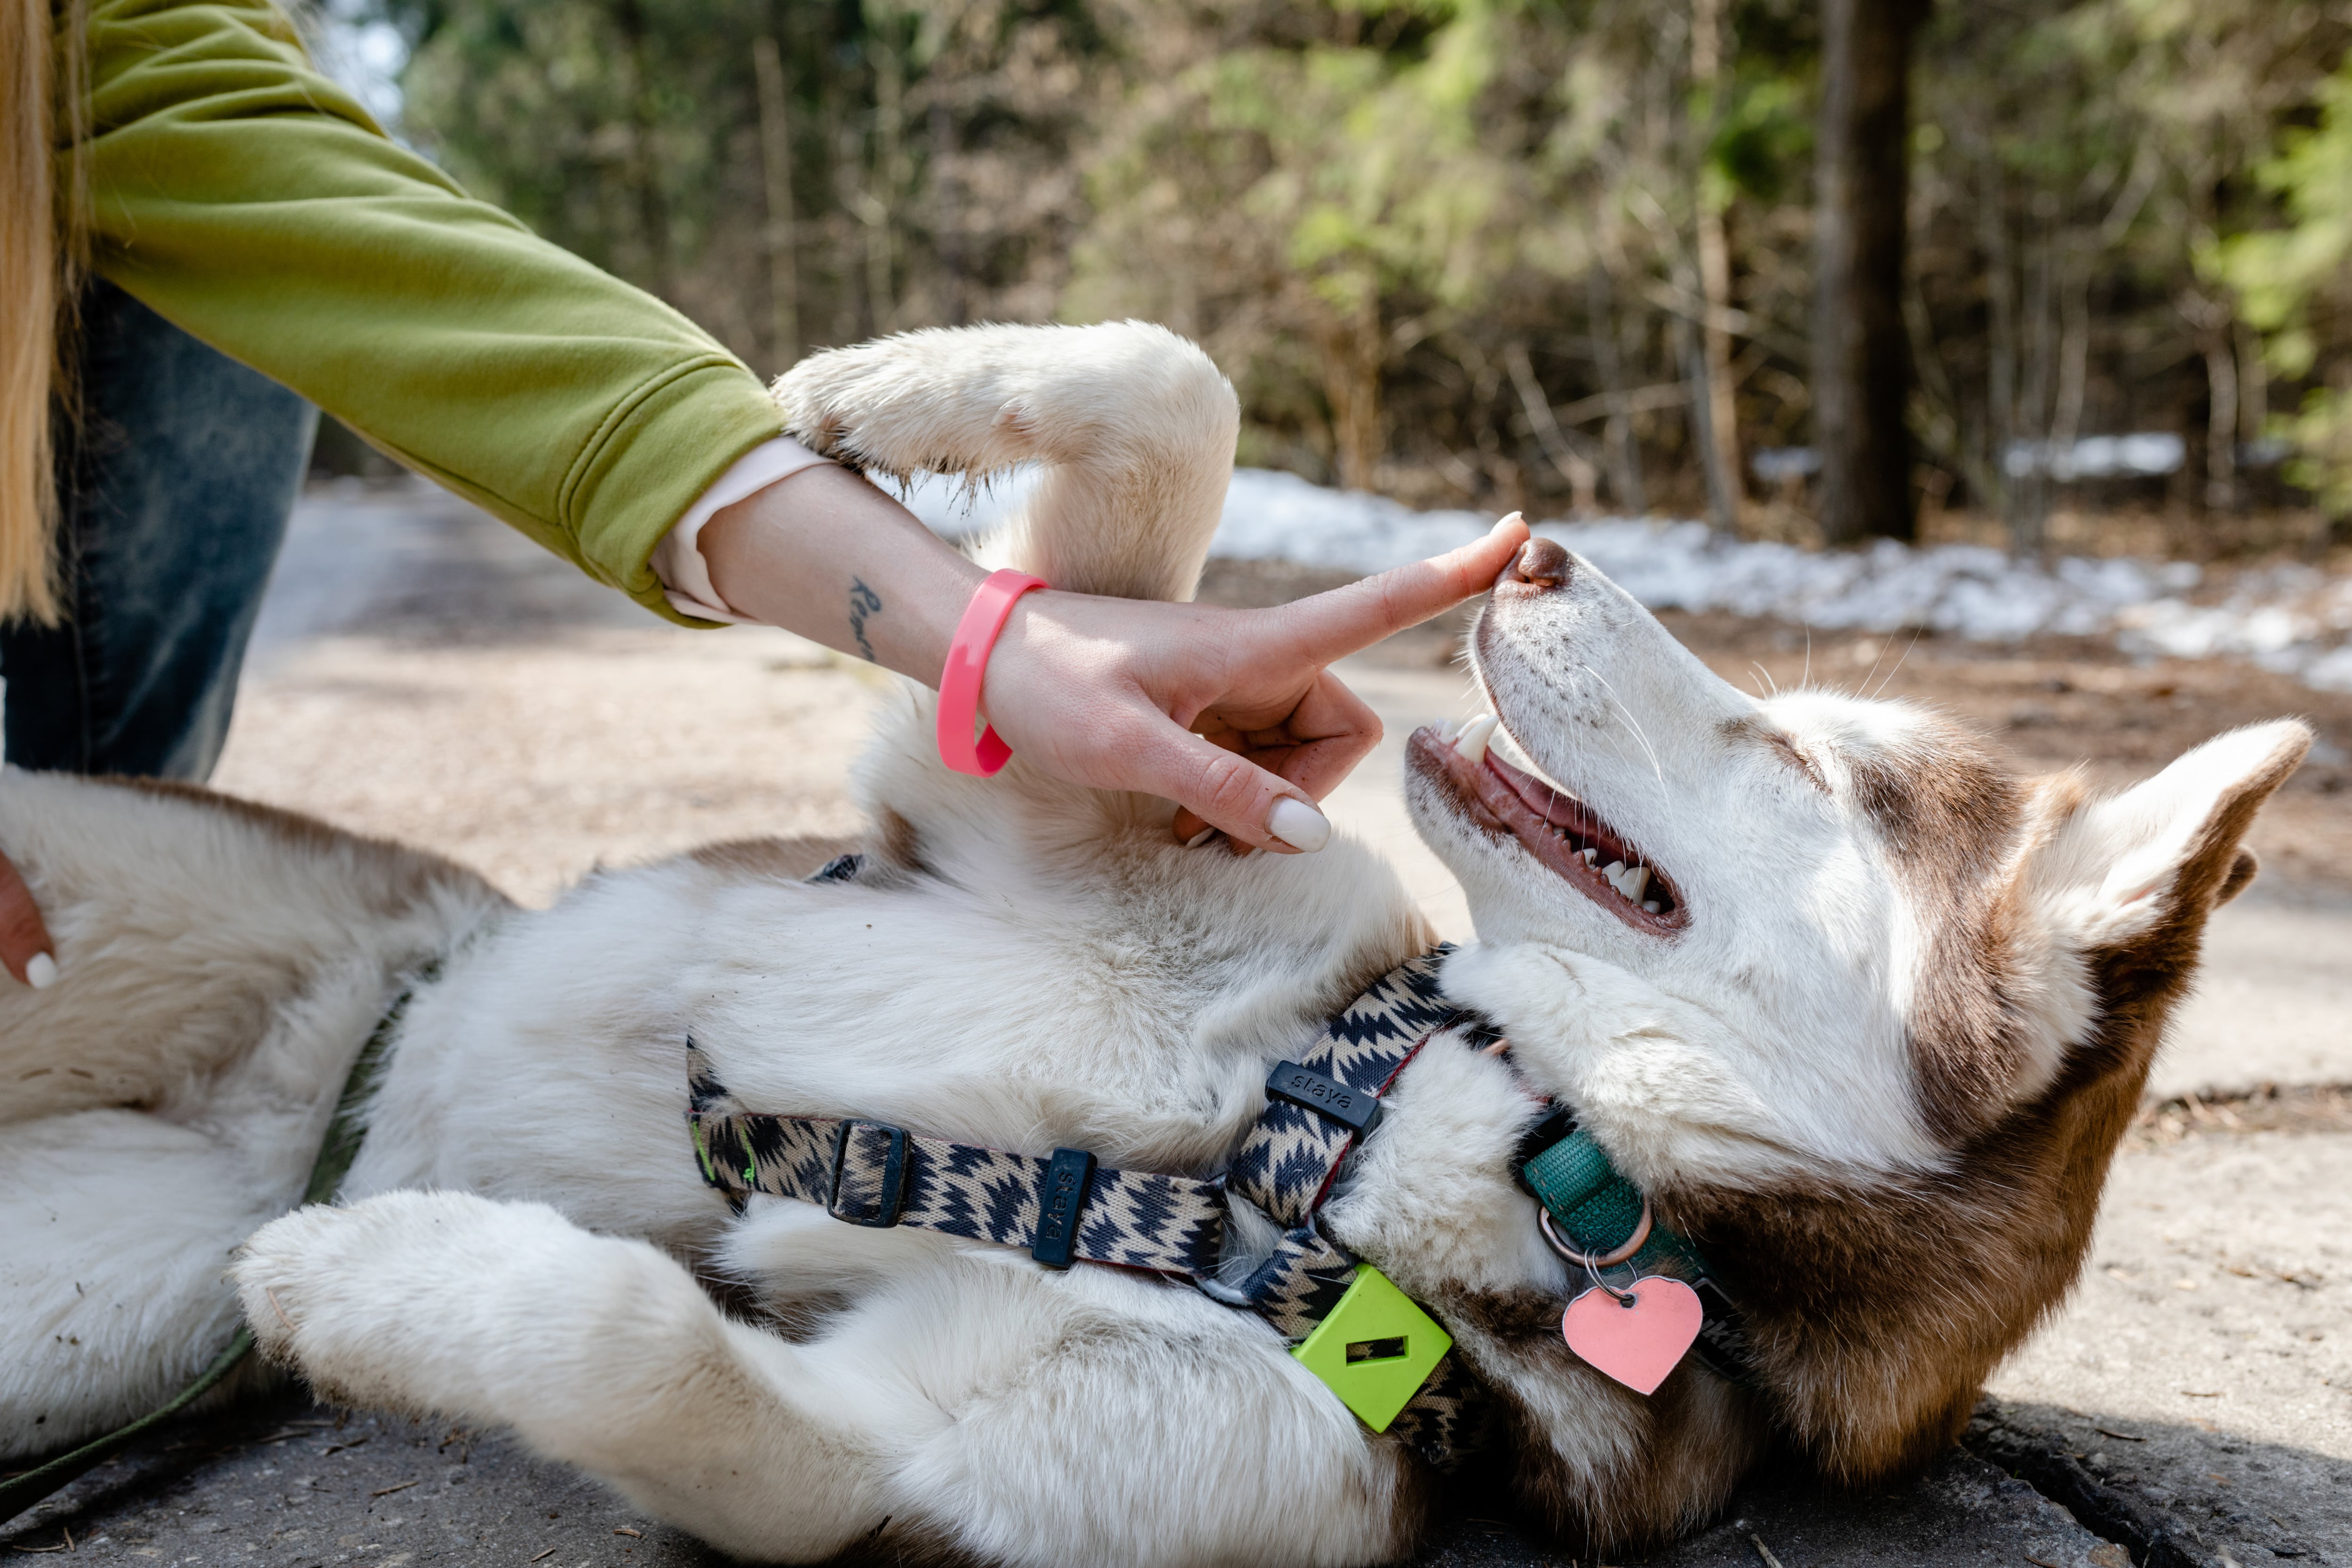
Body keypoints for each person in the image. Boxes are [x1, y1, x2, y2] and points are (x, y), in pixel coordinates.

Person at [0, 0, 1527, 987]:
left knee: (187, 280)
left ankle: (70, 839)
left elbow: (417, 289)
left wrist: (993, 643)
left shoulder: (91, 45)